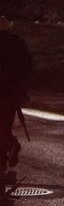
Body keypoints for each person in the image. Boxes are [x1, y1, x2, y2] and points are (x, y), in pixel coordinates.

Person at [0, 15, 32, 177]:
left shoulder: (14, 44)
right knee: (4, 124)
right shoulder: (17, 43)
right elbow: (27, 68)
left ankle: (7, 150)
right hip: (11, 92)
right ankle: (8, 148)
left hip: (7, 91)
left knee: (3, 125)